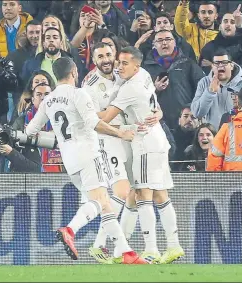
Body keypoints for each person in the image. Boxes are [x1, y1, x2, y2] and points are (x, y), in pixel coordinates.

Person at [25, 57, 146, 264]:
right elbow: (94, 124)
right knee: (99, 201)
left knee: (104, 204)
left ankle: (125, 252)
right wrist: (120, 134)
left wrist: (61, 140)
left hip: (69, 161)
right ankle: (70, 229)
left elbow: (30, 131)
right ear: (74, 72)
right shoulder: (78, 94)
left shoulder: (48, 100)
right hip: (89, 154)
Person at [98, 46, 184, 264]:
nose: (119, 67)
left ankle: (151, 250)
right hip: (157, 140)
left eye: (124, 63)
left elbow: (106, 117)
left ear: (136, 65)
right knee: (160, 195)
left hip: (145, 143)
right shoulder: (145, 75)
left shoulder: (131, 88)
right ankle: (173, 246)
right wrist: (159, 112)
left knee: (142, 195)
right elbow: (155, 106)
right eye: (119, 62)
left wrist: (82, 112)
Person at [84, 42, 158, 263]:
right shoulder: (90, 85)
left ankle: (117, 248)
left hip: (130, 137)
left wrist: (159, 114)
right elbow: (91, 120)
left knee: (135, 193)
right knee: (123, 191)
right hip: (108, 139)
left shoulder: (125, 73)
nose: (106, 60)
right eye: (101, 57)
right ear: (94, 60)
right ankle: (101, 245)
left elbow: (151, 100)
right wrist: (117, 132)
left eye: (109, 55)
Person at [142, 29, 205, 129]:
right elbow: (140, 96)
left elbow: (202, 88)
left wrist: (191, 109)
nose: (164, 43)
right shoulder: (146, 67)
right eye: (160, 40)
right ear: (154, 44)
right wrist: (155, 89)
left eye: (168, 39)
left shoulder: (188, 63)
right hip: (158, 122)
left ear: (174, 43)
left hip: (186, 121)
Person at [191, 48, 242, 131]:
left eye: (224, 63)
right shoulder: (204, 83)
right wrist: (210, 93)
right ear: (212, 66)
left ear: (232, 65)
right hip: (214, 137)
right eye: (217, 63)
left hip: (239, 137)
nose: (220, 66)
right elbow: (197, 113)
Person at [199, 12, 242, 78]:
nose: (228, 25)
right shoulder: (208, 47)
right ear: (220, 26)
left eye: (232, 22)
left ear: (236, 27)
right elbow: (204, 73)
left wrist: (213, 66)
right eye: (225, 21)